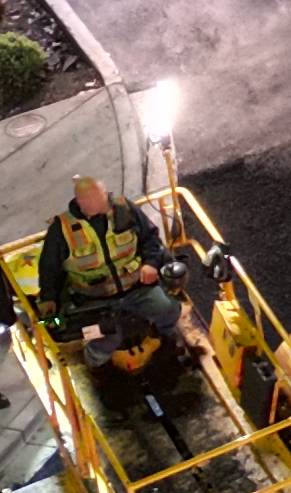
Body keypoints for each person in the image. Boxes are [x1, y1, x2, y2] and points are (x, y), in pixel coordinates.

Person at [37, 177, 183, 420]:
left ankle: (167, 339)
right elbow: (49, 269)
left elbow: (151, 239)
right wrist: (48, 301)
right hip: (93, 301)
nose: (107, 201)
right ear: (82, 203)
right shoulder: (61, 230)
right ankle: (98, 368)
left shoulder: (125, 210)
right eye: (99, 198)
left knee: (168, 309)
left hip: (136, 289)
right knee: (105, 338)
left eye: (105, 195)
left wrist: (149, 264)